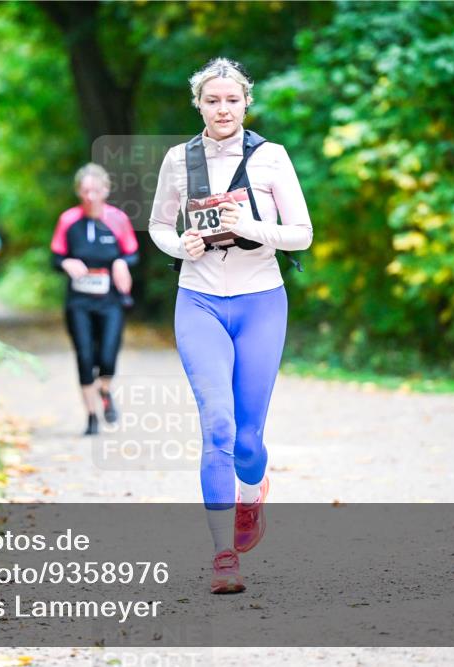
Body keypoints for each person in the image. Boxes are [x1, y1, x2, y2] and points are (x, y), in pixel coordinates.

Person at [148, 58, 313, 594]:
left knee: (247, 440)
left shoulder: (271, 158)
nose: (223, 109)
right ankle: (223, 556)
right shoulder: (178, 160)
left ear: (246, 104)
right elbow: (157, 225)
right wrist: (181, 245)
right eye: (212, 100)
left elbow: (303, 234)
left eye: (232, 100)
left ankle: (253, 492)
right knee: (216, 426)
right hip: (199, 301)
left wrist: (252, 227)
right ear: (198, 103)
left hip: (261, 301)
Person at [51, 163, 139, 436]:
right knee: (85, 355)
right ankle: (91, 416)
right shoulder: (68, 220)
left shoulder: (118, 219)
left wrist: (122, 264)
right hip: (79, 300)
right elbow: (55, 257)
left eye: (96, 190)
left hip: (110, 298)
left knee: (108, 356)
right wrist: (66, 263)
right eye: (85, 191)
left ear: (106, 190)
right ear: (78, 191)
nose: (90, 196)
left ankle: (105, 390)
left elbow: (132, 253)